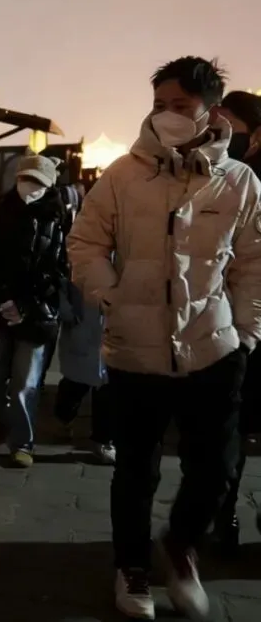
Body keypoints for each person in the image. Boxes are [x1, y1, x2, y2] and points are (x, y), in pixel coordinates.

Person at [68, 57, 261, 620]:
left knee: (218, 467)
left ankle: (180, 545)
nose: (167, 115)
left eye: (180, 106)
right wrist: (112, 295)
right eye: (159, 105)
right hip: (136, 348)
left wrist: (246, 332)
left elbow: (252, 263)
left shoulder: (240, 181)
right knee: (136, 468)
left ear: (211, 111)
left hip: (214, 345)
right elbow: (85, 243)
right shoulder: (123, 175)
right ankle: (131, 567)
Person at [0, 156, 69, 468]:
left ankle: (22, 443)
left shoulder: (59, 218)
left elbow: (60, 269)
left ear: (49, 185)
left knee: (25, 383)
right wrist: (2, 299)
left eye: (37, 181)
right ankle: (3, 417)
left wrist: (26, 305)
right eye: (26, 179)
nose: (29, 186)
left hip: (38, 313)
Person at [212, 90, 261, 554]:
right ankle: (221, 516)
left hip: (248, 319)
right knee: (231, 427)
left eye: (230, 123)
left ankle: (225, 518)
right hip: (236, 320)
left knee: (236, 426)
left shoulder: (245, 177)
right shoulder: (227, 173)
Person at [53, 179, 115, 464]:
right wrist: (66, 307)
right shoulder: (79, 232)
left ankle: (103, 438)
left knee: (109, 385)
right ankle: (63, 417)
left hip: (115, 319)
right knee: (76, 380)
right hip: (84, 315)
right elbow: (62, 274)